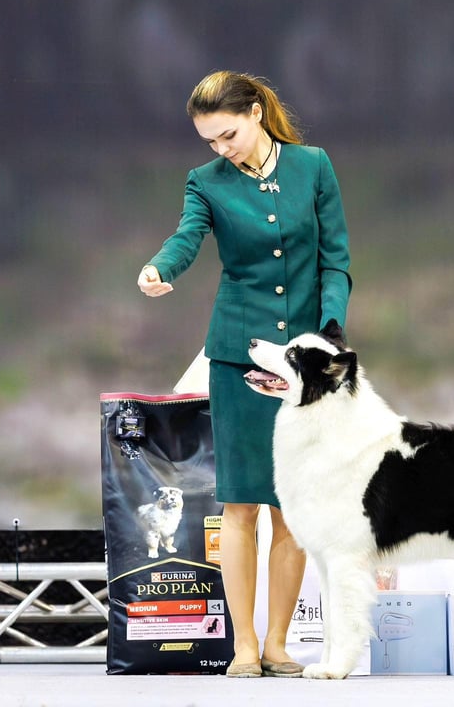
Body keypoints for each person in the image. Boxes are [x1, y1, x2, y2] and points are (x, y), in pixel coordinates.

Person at [138, 71, 351, 678]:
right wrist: (160, 268)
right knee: (239, 505)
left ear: (256, 113)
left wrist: (329, 330)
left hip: (304, 362)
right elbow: (186, 237)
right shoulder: (205, 181)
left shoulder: (314, 166)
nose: (221, 149)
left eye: (227, 135)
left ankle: (279, 643)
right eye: (210, 141)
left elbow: (335, 259)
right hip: (238, 357)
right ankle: (245, 646)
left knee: (291, 507)